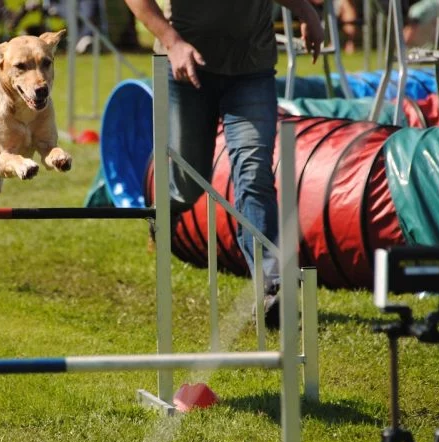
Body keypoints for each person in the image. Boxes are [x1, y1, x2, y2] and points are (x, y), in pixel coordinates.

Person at [123, 0, 324, 327]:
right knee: (188, 184)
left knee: (254, 172)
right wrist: (172, 42)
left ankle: (270, 284)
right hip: (183, 66)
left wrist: (306, 10)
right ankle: (163, 210)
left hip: (250, 69)